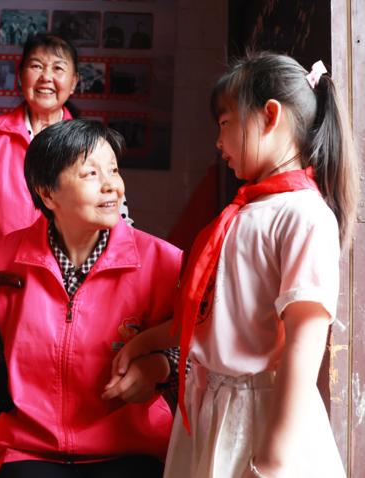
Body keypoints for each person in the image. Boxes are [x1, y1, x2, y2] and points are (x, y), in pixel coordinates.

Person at [110, 52, 357, 477]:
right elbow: (215, 318)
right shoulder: (243, 213)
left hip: (261, 418)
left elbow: (304, 341)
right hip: (212, 411)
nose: (218, 142)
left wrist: (273, 460)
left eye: (224, 123)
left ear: (270, 116)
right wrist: (144, 342)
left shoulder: (304, 214)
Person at [0, 119, 183, 477]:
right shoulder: (3, 261)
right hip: (31, 448)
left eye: (113, 170)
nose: (112, 185)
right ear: (47, 194)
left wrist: (160, 366)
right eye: (91, 173)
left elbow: (198, 353)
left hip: (130, 447)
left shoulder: (162, 263)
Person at [0, 33, 133, 258]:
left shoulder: (93, 144)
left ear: (74, 82)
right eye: (36, 66)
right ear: (20, 75)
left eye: (58, 68)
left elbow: (118, 215)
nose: (46, 77)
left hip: (68, 275)